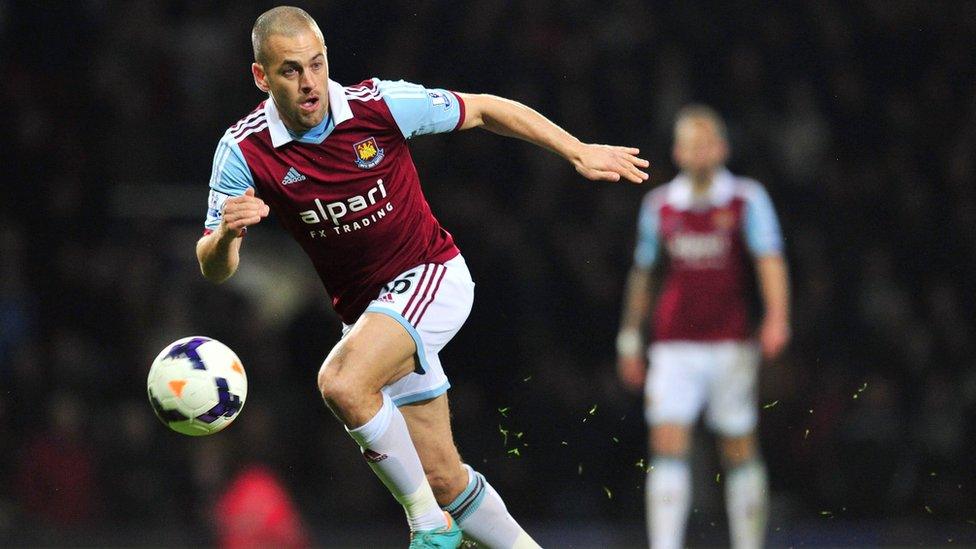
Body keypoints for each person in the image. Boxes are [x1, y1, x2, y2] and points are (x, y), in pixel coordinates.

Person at [196, 6, 649, 549]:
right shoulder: (242, 149)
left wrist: (576, 149)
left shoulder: (377, 104)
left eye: (317, 64)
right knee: (444, 477)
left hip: (431, 275)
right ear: (261, 76)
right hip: (372, 316)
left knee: (341, 382)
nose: (310, 81)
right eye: (291, 70)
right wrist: (225, 236)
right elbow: (214, 268)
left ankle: (429, 527)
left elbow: (482, 109)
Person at [616, 105, 790, 549]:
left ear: (723, 148)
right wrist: (631, 337)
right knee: (668, 443)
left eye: (707, 142)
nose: (699, 151)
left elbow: (768, 260)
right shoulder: (659, 206)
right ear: (678, 152)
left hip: (731, 343)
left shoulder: (746, 199)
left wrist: (776, 318)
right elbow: (644, 274)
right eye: (691, 144)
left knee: (737, 445)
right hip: (674, 345)